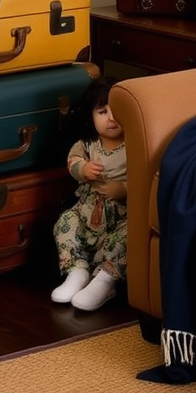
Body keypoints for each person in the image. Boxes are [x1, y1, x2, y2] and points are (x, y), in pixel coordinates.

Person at [52, 78, 127, 311]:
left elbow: (148, 176)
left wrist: (124, 189)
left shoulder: (136, 144)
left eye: (118, 112)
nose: (111, 119)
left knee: (130, 235)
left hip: (122, 216)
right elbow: (72, 162)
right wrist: (83, 169)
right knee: (65, 222)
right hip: (87, 211)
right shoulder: (87, 144)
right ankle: (77, 271)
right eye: (103, 112)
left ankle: (106, 280)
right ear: (90, 116)